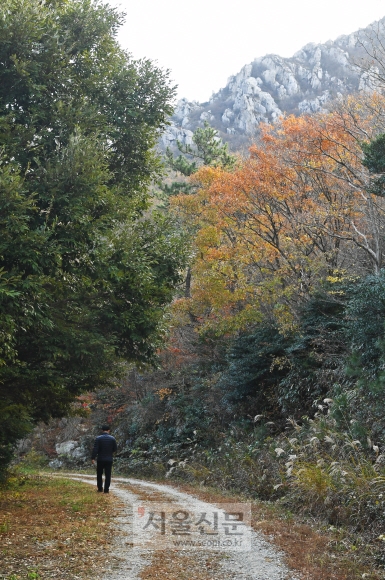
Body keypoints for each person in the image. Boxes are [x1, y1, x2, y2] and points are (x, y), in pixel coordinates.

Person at [91, 425, 117, 493]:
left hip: (100, 459)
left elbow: (95, 449)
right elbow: (115, 449)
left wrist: (93, 458)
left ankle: (100, 488)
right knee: (108, 475)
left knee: (99, 474)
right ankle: (106, 490)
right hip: (109, 459)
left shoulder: (98, 438)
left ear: (102, 430)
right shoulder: (112, 439)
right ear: (109, 430)